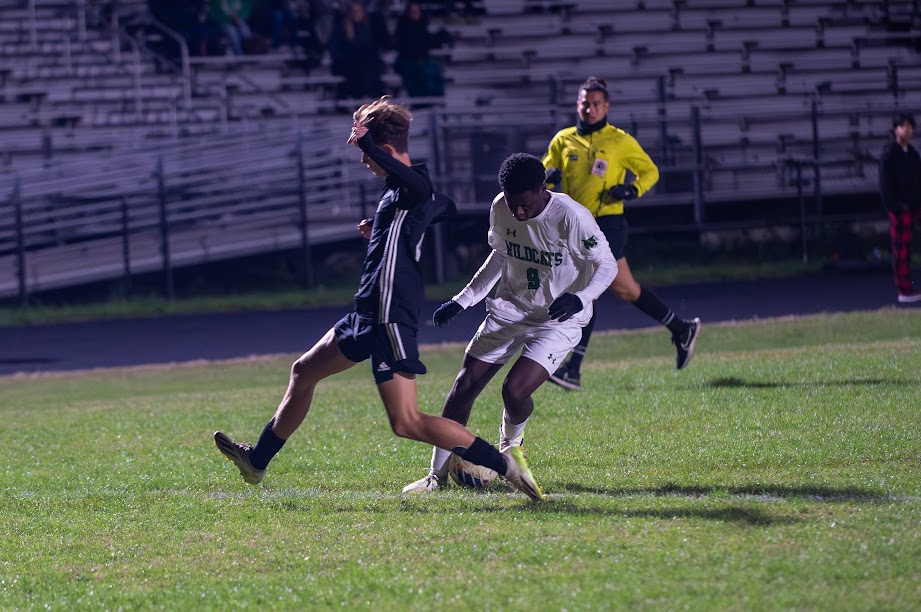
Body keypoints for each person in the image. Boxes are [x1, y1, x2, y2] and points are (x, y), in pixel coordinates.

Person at [213, 97, 543, 501]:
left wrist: (368, 144)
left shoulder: (412, 184)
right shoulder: (398, 193)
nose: (362, 161)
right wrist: (386, 235)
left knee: (406, 423)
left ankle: (504, 465)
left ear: (385, 151)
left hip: (389, 316)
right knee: (303, 371)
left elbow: (428, 194)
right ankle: (257, 461)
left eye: (366, 154)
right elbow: (441, 207)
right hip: (366, 311)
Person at [402, 152, 618, 493]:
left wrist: (581, 297)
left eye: (525, 204)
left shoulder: (571, 216)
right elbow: (499, 257)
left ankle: (511, 452)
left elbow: (607, 266)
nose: (518, 212)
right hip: (511, 310)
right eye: (512, 203)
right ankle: (436, 478)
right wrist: (463, 300)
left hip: (557, 319)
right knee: (462, 388)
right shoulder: (501, 206)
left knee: (514, 390)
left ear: (543, 188)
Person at [542, 76, 701, 391]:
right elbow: (542, 176)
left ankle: (573, 369)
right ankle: (681, 329)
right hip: (575, 224)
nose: (590, 109)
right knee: (626, 289)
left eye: (596, 103)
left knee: (588, 288)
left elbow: (650, 171)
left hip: (609, 222)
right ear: (577, 105)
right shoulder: (563, 140)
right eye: (585, 103)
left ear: (607, 106)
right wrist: (546, 177)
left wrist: (632, 190)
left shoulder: (620, 140)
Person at [878, 111, 921, 303]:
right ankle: (904, 289)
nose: (907, 129)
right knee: (901, 248)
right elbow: (885, 186)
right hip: (900, 208)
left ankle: (908, 287)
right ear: (896, 129)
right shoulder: (889, 154)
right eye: (903, 125)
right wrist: (895, 207)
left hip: (915, 204)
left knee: (907, 246)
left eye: (909, 125)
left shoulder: (912, 154)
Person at [327, 2, 386, 100]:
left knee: (373, 67)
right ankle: (356, 96)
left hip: (367, 60)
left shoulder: (369, 27)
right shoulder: (342, 27)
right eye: (354, 11)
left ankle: (369, 95)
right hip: (347, 61)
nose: (356, 14)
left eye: (358, 11)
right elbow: (336, 47)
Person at [393, 2, 446, 98]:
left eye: (417, 11)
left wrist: (441, 35)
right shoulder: (403, 27)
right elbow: (400, 45)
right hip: (408, 62)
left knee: (435, 73)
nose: (415, 14)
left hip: (423, 61)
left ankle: (437, 101)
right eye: (413, 12)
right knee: (418, 77)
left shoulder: (423, 25)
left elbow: (430, 43)